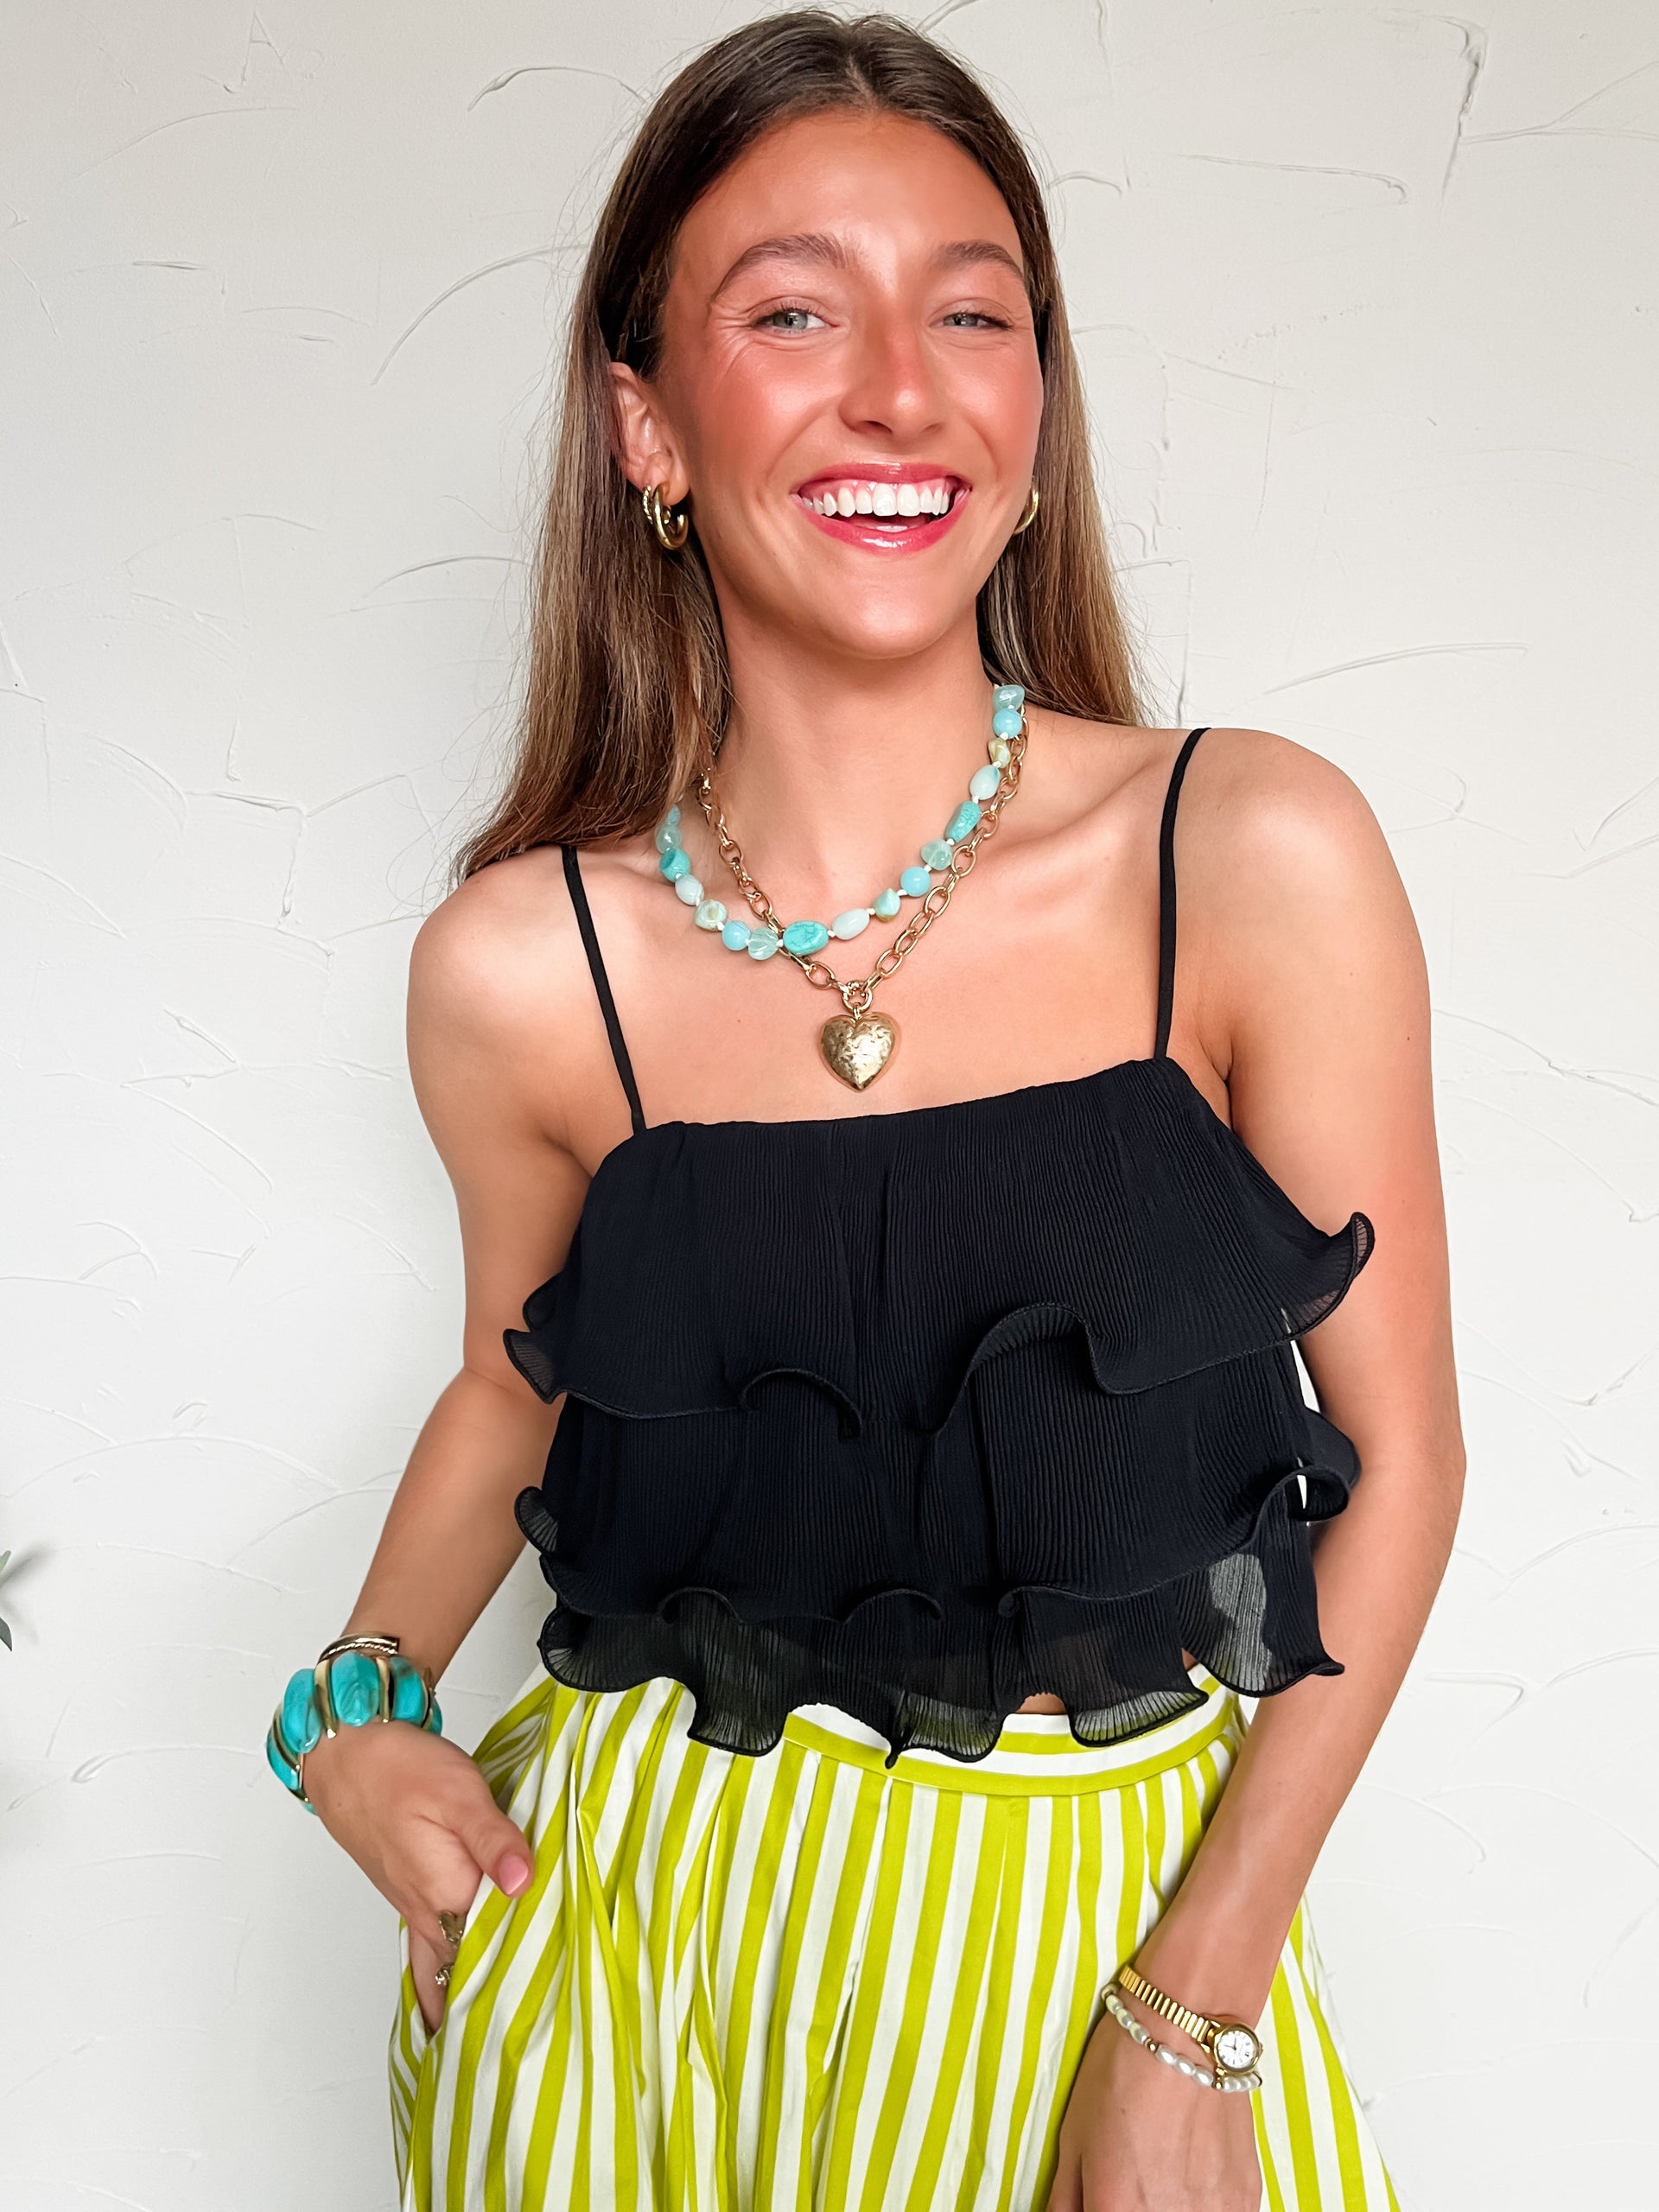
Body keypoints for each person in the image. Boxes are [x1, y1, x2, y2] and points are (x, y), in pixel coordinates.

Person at [264, 12, 1464, 2208]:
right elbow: (515, 1382)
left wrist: (1191, 2008)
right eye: (796, 312)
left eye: (974, 314)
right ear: (647, 425)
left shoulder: (1250, 852)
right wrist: (348, 1712)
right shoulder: (525, 970)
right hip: (626, 1977)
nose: (902, 390)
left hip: (1107, 1966)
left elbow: (1402, 1460)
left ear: (1035, 413)